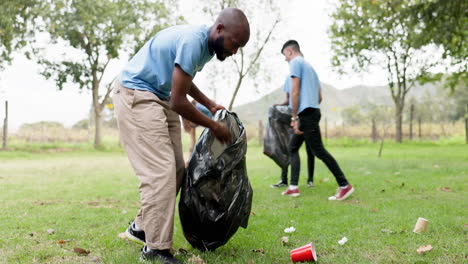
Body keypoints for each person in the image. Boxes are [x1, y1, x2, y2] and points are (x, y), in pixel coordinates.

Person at [113, 8, 250, 263]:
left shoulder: (207, 48)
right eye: (235, 43)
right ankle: (155, 249)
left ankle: (141, 227)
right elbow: (178, 100)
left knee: (177, 169)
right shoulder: (192, 41)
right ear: (219, 29)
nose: (235, 51)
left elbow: (183, 80)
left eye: (239, 47)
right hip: (137, 94)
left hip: (159, 97)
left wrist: (209, 105)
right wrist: (212, 125)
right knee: (160, 171)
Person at [279, 40, 354, 200]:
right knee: (293, 147)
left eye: (285, 55)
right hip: (312, 112)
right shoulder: (311, 68)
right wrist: (309, 108)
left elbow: (295, 90)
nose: (285, 59)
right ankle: (293, 187)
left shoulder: (295, 63)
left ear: (290, 51)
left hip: (305, 114)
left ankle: (344, 185)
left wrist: (295, 116)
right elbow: (320, 96)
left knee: (319, 151)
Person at [270, 81, 316, 189]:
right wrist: (278, 105)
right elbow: (289, 100)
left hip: (304, 117)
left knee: (310, 149)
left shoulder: (305, 81)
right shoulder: (288, 80)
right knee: (288, 147)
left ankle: (310, 180)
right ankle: (284, 180)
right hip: (292, 118)